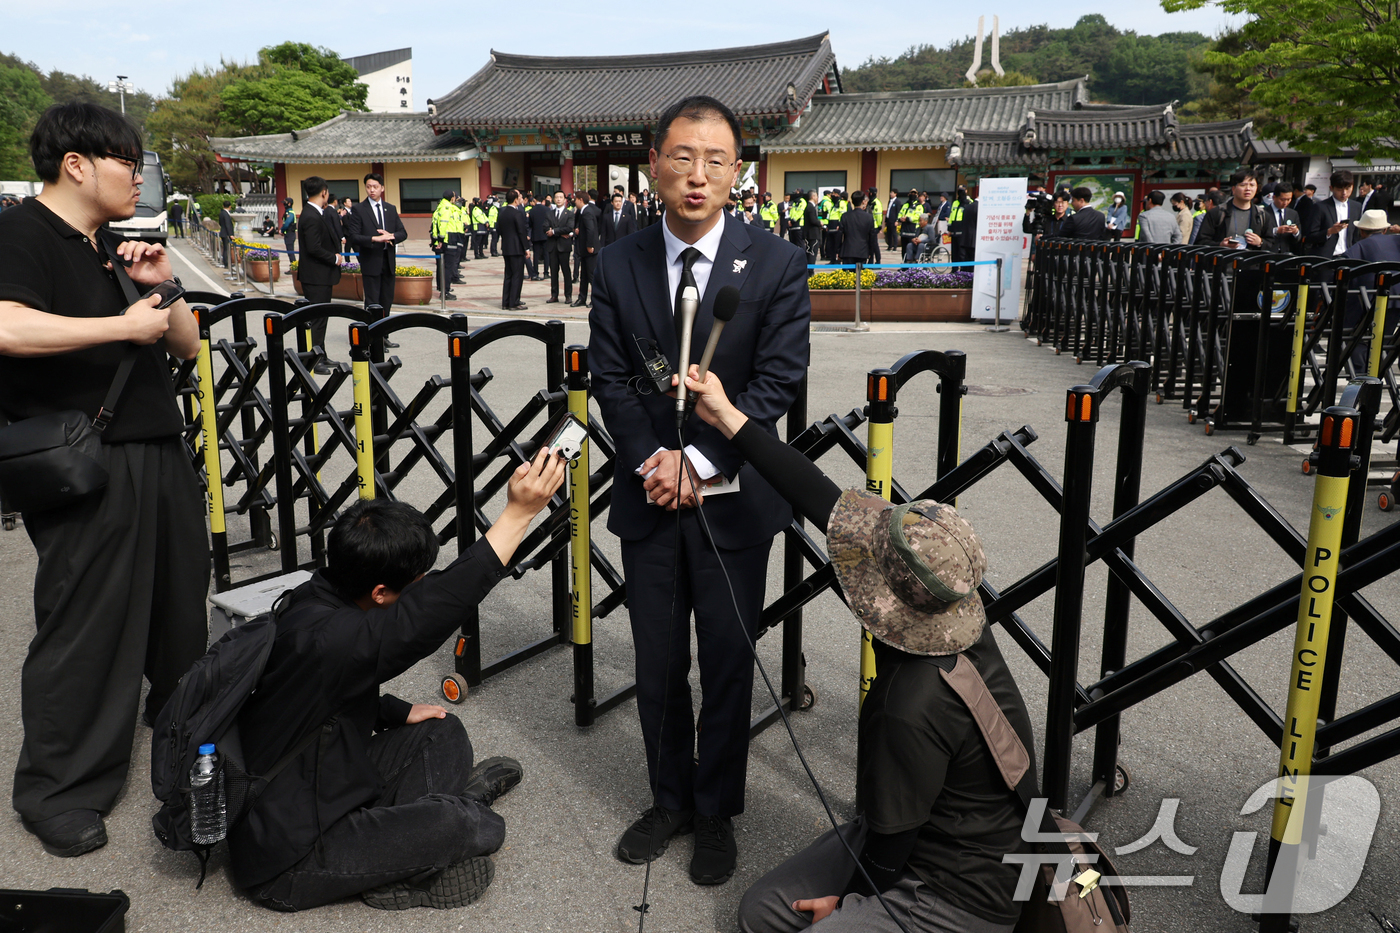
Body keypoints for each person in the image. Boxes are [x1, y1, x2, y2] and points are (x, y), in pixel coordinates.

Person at [678, 368, 1034, 933]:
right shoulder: (948, 602)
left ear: (888, 601)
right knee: (761, 911)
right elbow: (817, 493)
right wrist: (727, 415)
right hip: (930, 825)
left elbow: (891, 849)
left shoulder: (908, 701)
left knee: (794, 924)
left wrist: (848, 903)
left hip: (961, 892)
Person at [587, 95, 810, 887]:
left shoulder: (777, 263)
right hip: (650, 494)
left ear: (737, 173)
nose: (697, 175)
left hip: (734, 501)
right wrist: (657, 459)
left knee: (725, 661)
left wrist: (704, 461)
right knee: (656, 663)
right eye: (682, 156)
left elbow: (779, 378)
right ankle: (669, 798)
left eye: (716, 160)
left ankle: (716, 809)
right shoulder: (618, 262)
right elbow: (611, 379)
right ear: (654, 162)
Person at [0, 102, 206, 858]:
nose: (139, 174)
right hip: (85, 459)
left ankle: (185, 733)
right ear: (76, 164)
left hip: (156, 446)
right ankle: (57, 788)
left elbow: (184, 348)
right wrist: (120, 326)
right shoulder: (21, 231)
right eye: (128, 159)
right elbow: (5, 324)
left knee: (180, 607)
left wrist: (165, 285)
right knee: (88, 622)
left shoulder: (112, 243)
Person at [233, 450, 566, 912]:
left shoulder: (320, 593)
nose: (424, 583)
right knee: (462, 826)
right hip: (287, 854)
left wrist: (391, 711)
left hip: (322, 777)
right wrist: (518, 514)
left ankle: (409, 842)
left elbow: (313, 692)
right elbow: (426, 615)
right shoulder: (331, 636)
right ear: (380, 592)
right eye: (416, 580)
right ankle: (438, 833)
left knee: (441, 730)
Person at [347, 173, 408, 343]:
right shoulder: (359, 209)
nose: (371, 190)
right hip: (371, 261)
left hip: (388, 262)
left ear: (382, 188)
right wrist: (374, 238)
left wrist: (392, 236)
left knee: (386, 300)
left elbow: (403, 233)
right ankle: (373, 337)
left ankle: (384, 334)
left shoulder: (391, 208)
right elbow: (353, 236)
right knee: (373, 302)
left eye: (375, 186)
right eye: (368, 187)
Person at [297, 177, 343, 375]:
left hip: (320, 275)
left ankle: (321, 353)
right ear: (324, 192)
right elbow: (313, 247)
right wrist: (334, 258)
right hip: (316, 275)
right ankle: (314, 359)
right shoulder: (310, 215)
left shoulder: (314, 213)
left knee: (321, 317)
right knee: (317, 319)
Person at [1197, 169, 1265, 249]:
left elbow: (1272, 243)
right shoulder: (1217, 213)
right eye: (1243, 185)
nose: (1248, 189)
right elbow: (1200, 242)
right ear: (1233, 189)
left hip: (1250, 260)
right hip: (1224, 260)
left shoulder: (1262, 214)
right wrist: (1220, 245)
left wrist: (1260, 242)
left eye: (1252, 185)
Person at [1303, 170, 1362, 257]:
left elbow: (1356, 235)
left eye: (1347, 188)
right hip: (1326, 258)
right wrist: (1329, 231)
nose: (1344, 193)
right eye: (1339, 189)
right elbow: (1309, 236)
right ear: (1331, 188)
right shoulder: (1320, 207)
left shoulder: (1356, 206)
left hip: (1348, 256)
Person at [496, 188, 530, 311]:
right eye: (519, 197)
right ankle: (514, 302)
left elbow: (498, 229)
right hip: (516, 248)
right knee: (517, 275)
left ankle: (505, 302)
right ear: (516, 200)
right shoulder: (517, 213)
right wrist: (526, 247)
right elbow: (521, 232)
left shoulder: (502, 212)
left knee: (508, 275)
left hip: (506, 247)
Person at [430, 190, 462, 301]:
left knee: (442, 267)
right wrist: (441, 239)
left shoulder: (441, 207)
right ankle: (445, 292)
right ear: (452, 198)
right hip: (448, 240)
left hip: (444, 240)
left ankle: (443, 289)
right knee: (448, 267)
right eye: (454, 196)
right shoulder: (447, 208)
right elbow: (443, 224)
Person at [544, 190, 574, 304]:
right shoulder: (549, 213)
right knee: (553, 271)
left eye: (561, 197)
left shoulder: (569, 213)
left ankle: (568, 295)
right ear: (553, 199)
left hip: (564, 246)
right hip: (552, 246)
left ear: (565, 199)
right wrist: (554, 232)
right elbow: (545, 227)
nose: (558, 199)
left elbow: (569, 228)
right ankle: (554, 295)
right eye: (556, 197)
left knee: (566, 271)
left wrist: (555, 231)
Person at [572, 191, 601, 308]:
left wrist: (590, 245)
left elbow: (591, 230)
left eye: (575, 200)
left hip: (590, 250)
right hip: (584, 250)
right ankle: (582, 298)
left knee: (591, 276)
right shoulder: (583, 211)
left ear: (580, 200)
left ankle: (596, 300)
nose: (574, 202)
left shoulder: (587, 212)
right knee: (584, 275)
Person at [1260, 182, 1304, 254]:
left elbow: (1299, 237)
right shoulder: (1264, 212)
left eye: (1289, 199)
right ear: (1274, 197)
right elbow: (1260, 233)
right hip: (1269, 253)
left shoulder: (1293, 214)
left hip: (1287, 253)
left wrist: (1295, 232)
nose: (1285, 203)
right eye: (1282, 199)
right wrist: (1276, 231)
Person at [839, 190, 879, 267]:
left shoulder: (845, 216)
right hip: (862, 251)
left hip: (847, 250)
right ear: (863, 202)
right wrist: (870, 252)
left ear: (852, 202)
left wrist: (838, 250)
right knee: (859, 276)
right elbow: (872, 236)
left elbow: (839, 235)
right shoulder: (869, 217)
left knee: (847, 276)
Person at [947, 187, 978, 263]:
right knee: (954, 252)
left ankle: (963, 270)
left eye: (962, 192)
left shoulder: (970, 202)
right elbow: (951, 215)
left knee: (962, 252)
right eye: (959, 192)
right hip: (954, 230)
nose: (960, 194)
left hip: (963, 230)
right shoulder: (955, 202)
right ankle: (954, 270)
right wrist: (949, 229)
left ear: (966, 191)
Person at [528, 193, 551, 281]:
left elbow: (530, 224)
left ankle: (535, 272)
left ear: (535, 200)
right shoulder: (547, 209)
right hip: (545, 234)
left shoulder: (532, 210)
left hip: (536, 235)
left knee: (536, 255)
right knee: (546, 254)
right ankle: (546, 272)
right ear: (543, 201)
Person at [279, 197, 297, 262]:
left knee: (290, 252)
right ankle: (293, 266)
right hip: (288, 234)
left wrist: (282, 230)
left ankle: (294, 266)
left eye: (285, 203)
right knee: (289, 252)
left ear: (289, 204)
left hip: (290, 234)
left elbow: (287, 224)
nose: (284, 205)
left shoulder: (290, 213)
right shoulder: (287, 212)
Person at [218, 199, 234, 267]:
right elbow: (228, 224)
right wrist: (230, 234)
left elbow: (220, 223)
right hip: (226, 233)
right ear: (230, 206)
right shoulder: (226, 214)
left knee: (225, 248)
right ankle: (226, 263)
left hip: (223, 231)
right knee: (226, 249)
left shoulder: (221, 213)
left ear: (223, 206)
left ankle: (226, 262)